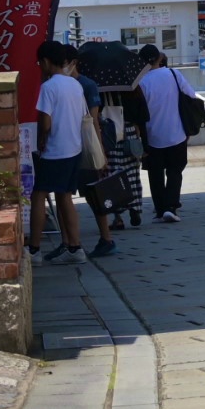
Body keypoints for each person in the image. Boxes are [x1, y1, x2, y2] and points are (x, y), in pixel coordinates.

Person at [26, 41, 88, 265]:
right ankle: (75, 247)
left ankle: (33, 250)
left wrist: (42, 138)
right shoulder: (75, 84)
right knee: (65, 197)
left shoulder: (49, 87)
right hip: (74, 148)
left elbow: (45, 121)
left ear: (45, 61)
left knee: (39, 195)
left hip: (53, 151)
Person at [136, 44, 197, 223]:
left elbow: (139, 112)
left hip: (152, 134)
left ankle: (160, 208)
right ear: (158, 58)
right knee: (175, 170)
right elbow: (191, 95)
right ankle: (171, 206)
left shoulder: (140, 82)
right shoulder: (173, 74)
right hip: (176, 131)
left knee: (155, 173)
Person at [66, 49, 117, 258]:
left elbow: (94, 121)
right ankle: (70, 241)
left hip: (86, 146)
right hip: (70, 146)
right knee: (66, 195)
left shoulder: (87, 85)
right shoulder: (65, 84)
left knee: (93, 195)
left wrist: (100, 152)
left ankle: (106, 238)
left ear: (73, 62)